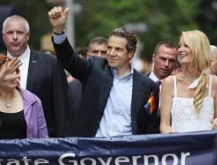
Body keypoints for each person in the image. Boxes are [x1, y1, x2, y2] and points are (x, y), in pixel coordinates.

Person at [48, 6, 160, 137]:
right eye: (110, 48)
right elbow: (69, 60)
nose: (111, 53)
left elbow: (150, 129)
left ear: (131, 53)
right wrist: (58, 30)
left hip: (127, 153)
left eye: (118, 49)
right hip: (93, 150)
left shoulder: (147, 86)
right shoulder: (95, 68)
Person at [2, 15, 73, 137]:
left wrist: (63, 145)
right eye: (10, 33)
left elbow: (62, 107)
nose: (14, 37)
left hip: (41, 144)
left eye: (19, 32)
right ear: (3, 36)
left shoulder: (50, 63)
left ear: (28, 35)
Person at [160, 30, 217, 133]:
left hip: (206, 147)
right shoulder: (169, 83)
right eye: (180, 46)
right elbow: (164, 125)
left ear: (199, 50)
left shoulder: (215, 83)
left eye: (186, 46)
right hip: (179, 146)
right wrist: (171, 134)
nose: (180, 50)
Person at [0, 54, 48, 138]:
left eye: (15, 70)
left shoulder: (33, 101)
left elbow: (43, 140)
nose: (14, 75)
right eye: (7, 72)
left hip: (26, 151)